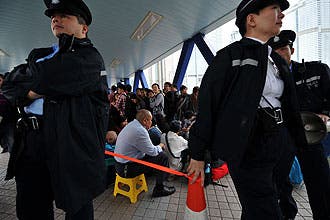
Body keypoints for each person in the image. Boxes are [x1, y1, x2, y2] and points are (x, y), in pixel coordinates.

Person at [187, 0, 307, 219]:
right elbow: (208, 104)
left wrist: (296, 142)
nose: (281, 16)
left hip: (280, 142)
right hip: (248, 146)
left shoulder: (276, 61)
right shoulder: (229, 57)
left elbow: (291, 106)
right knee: (265, 208)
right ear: (251, 20)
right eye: (274, 10)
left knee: (271, 201)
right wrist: (197, 154)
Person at [3, 0, 109, 219]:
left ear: (84, 27)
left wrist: (28, 89)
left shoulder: (90, 58)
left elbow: (48, 77)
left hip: (72, 147)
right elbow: (9, 86)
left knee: (78, 207)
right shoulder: (39, 54)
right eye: (53, 16)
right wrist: (32, 92)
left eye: (65, 15)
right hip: (31, 144)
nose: (55, 19)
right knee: (31, 208)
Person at [268, 30, 330, 220]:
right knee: (278, 186)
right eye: (274, 52)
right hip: (282, 140)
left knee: (320, 185)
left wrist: (325, 114)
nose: (279, 54)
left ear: (292, 50)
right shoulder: (270, 82)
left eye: (283, 49)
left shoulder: (315, 71)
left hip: (309, 138)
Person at [114, 109, 176, 197]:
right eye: (150, 120)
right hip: (126, 169)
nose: (151, 122)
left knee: (155, 153)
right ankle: (159, 189)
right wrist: (161, 145)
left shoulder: (132, 124)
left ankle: (156, 178)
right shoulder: (140, 131)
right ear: (145, 120)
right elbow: (153, 152)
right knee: (162, 157)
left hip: (120, 164)